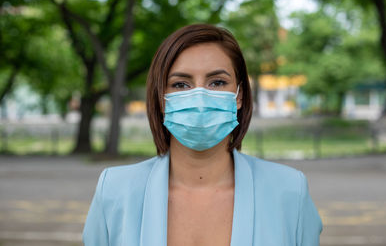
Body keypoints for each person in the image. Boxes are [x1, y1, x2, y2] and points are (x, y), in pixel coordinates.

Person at [83, 24, 323, 246]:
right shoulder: (114, 191)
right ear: (161, 98)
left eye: (217, 82)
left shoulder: (289, 191)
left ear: (239, 95)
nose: (199, 98)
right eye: (181, 85)